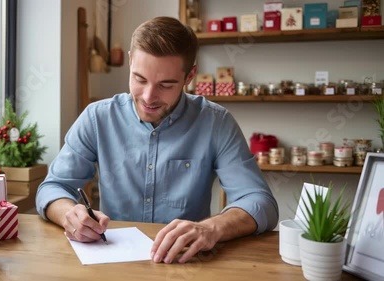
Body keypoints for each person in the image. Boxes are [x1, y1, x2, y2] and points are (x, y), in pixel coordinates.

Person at [36, 16, 278, 264]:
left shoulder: (216, 122)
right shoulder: (98, 118)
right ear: (130, 61)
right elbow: (52, 188)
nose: (148, 97)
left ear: (189, 76)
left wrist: (212, 228)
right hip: (112, 262)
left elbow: (261, 203)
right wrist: (69, 213)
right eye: (139, 79)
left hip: (186, 263)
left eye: (166, 85)